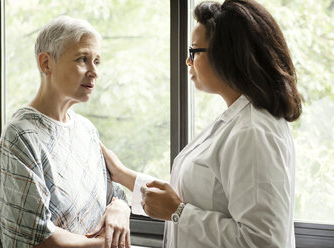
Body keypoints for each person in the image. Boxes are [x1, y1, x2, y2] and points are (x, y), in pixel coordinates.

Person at [101, 0, 303, 247]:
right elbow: (190, 197)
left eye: (194, 51)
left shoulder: (253, 131)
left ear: (226, 54)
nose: (188, 61)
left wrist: (179, 213)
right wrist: (122, 175)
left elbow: (262, 241)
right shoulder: (234, 120)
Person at [0, 16, 131, 248]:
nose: (94, 72)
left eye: (97, 61)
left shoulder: (86, 130)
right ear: (46, 64)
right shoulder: (21, 135)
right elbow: (36, 238)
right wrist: (106, 245)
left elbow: (116, 196)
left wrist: (121, 209)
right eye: (83, 59)